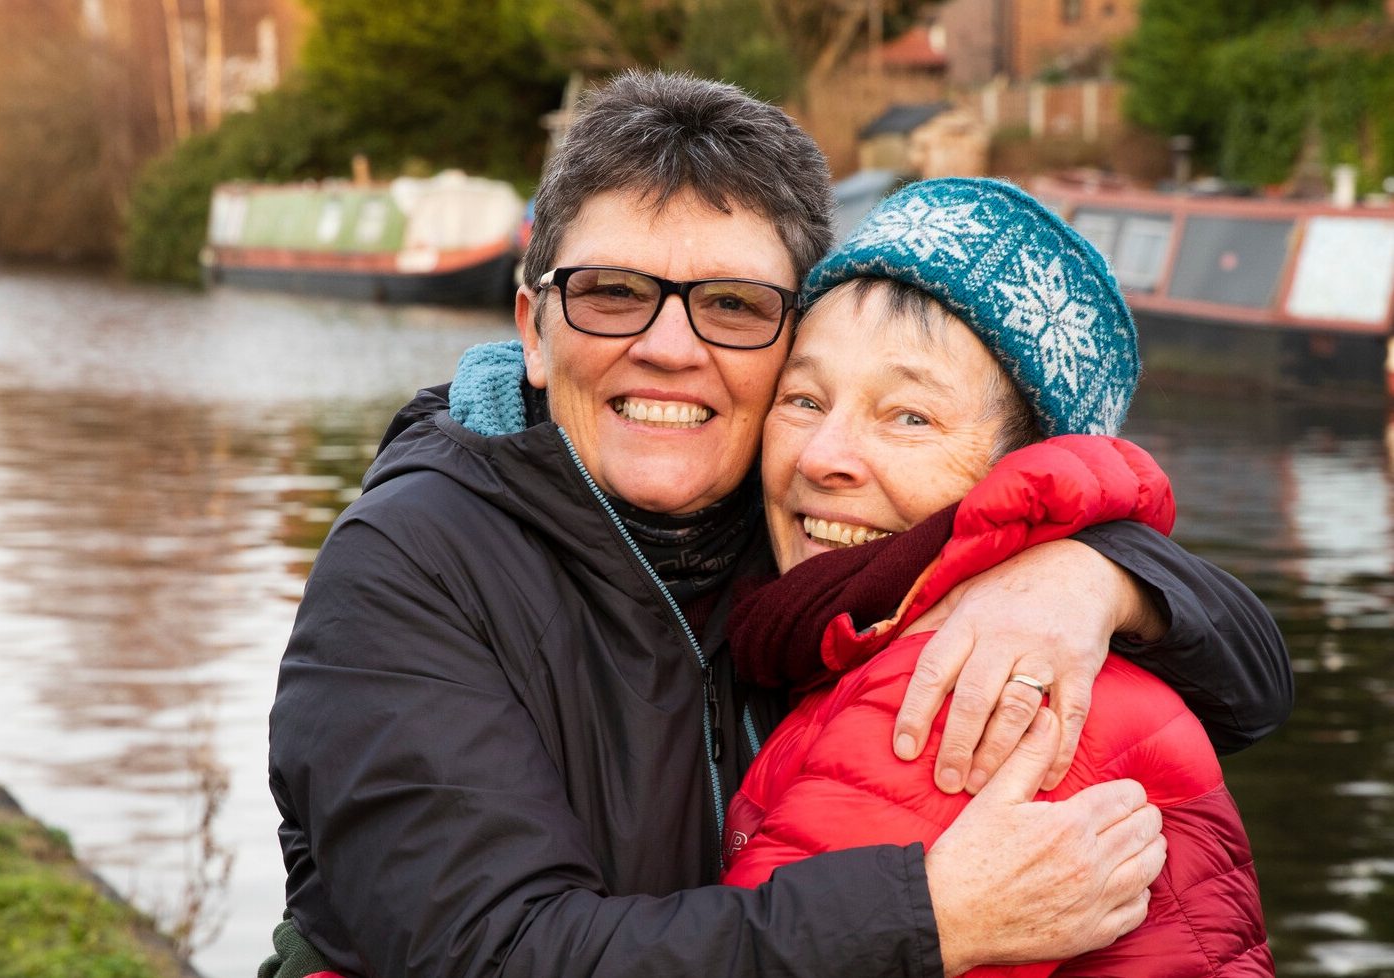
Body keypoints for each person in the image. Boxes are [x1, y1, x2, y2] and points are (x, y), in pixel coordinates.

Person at [267, 71, 1292, 977]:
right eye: (613, 292)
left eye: (730, 305)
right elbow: (488, 953)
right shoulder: (408, 566)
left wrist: (1092, 578)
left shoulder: (804, 547)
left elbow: (1253, 684)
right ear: (534, 331)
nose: (670, 347)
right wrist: (926, 918)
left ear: (783, 336)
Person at [720, 178, 1269, 976]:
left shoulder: (960, 688)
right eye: (803, 398)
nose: (820, 455)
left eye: (909, 417)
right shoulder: (842, 634)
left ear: (1021, 465)